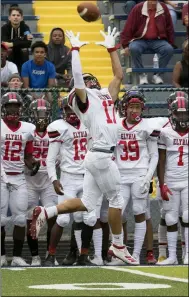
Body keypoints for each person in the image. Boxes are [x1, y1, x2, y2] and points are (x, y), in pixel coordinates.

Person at [30, 27, 138, 265]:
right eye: (86, 83)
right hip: (100, 156)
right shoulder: (85, 103)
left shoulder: (105, 97)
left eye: (91, 81)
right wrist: (76, 50)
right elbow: (78, 79)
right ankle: (118, 245)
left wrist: (112, 49)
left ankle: (46, 212)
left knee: (88, 205)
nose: (89, 82)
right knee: (117, 200)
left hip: (95, 157)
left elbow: (119, 76)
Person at [45, 96, 103, 266]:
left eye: (73, 109)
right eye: (68, 109)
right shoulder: (58, 127)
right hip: (68, 177)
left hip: (87, 176)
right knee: (63, 219)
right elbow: (50, 159)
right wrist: (54, 180)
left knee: (90, 218)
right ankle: (50, 255)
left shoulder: (89, 124)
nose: (71, 113)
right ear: (63, 111)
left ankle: (83, 256)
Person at [109, 90, 159, 265]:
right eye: (131, 106)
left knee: (139, 212)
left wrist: (148, 177)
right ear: (125, 107)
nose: (134, 111)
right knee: (118, 214)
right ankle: (120, 253)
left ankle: (136, 255)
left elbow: (154, 155)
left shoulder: (147, 126)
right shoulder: (116, 125)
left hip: (139, 174)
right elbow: (111, 152)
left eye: (137, 107)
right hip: (121, 175)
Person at [1, 92, 40, 267]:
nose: (13, 110)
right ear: (3, 109)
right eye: (9, 107)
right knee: (0, 219)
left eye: (16, 107)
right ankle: (1, 255)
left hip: (18, 177)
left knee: (19, 218)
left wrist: (33, 163)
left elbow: (28, 155)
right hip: (2, 176)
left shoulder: (27, 129)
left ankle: (16, 256)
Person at [25, 98, 58, 266]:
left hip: (48, 180)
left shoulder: (54, 130)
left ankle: (49, 254)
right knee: (30, 218)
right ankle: (35, 256)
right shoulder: (28, 131)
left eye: (45, 113)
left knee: (52, 217)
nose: (42, 116)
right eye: (39, 113)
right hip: (29, 179)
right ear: (32, 114)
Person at [157, 92, 189, 265]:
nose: (183, 117)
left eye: (185, 113)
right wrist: (162, 184)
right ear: (172, 113)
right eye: (179, 113)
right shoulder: (165, 131)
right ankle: (171, 256)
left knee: (187, 216)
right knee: (170, 218)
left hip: (187, 179)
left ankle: (187, 254)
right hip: (171, 179)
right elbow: (161, 160)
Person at [120, 0, 174, 85]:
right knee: (133, 48)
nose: (153, 2)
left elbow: (169, 27)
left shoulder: (163, 8)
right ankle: (142, 74)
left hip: (158, 40)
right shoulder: (138, 8)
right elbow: (128, 27)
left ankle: (157, 75)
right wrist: (125, 45)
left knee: (169, 49)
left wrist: (170, 42)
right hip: (140, 39)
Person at [1, 6, 33, 73]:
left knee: (24, 50)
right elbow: (5, 43)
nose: (16, 17)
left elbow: (28, 43)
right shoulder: (4, 28)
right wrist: (22, 38)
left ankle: (24, 73)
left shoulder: (25, 27)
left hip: (21, 53)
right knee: (9, 49)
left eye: (18, 15)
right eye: (13, 15)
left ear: (21, 18)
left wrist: (12, 43)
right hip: (10, 53)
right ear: (9, 18)